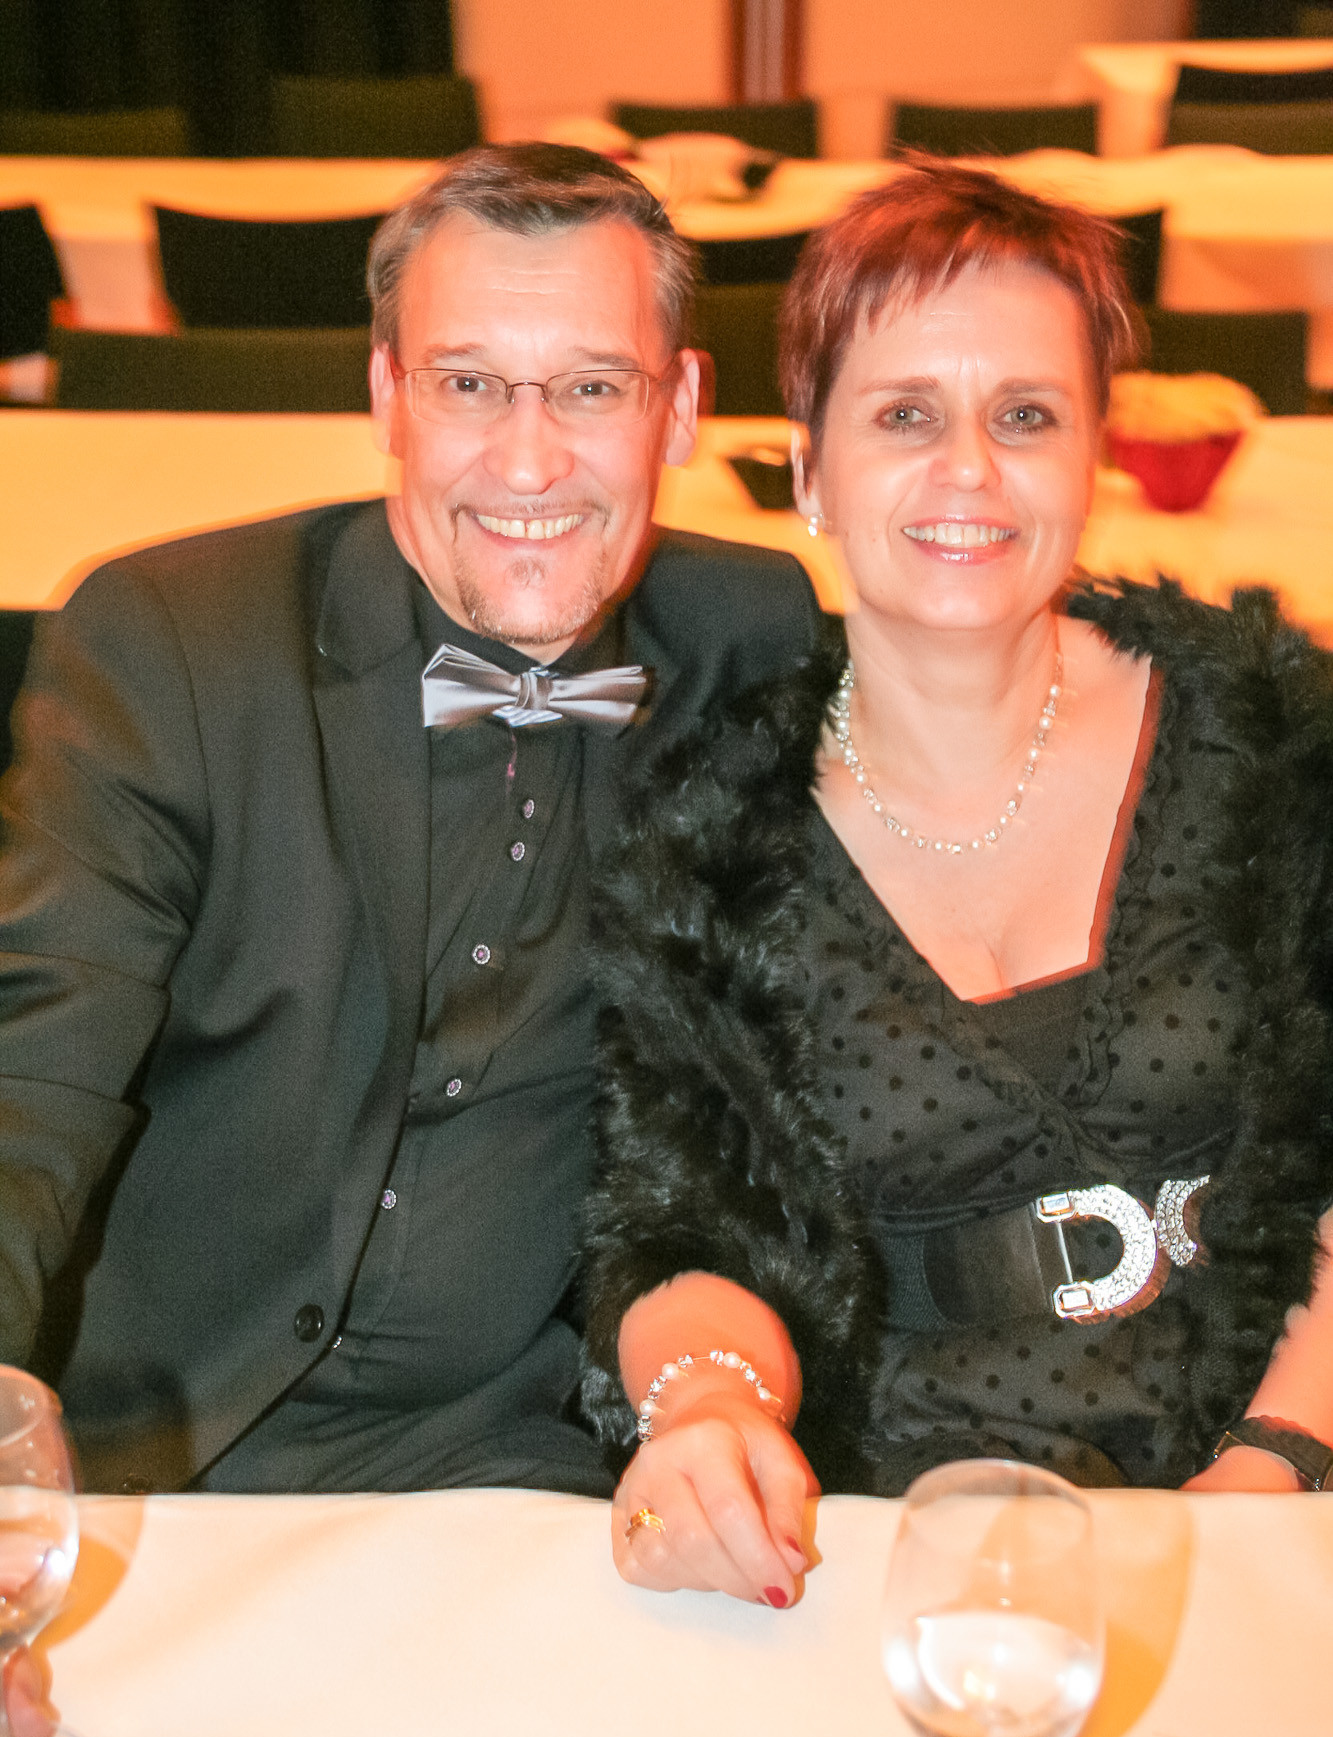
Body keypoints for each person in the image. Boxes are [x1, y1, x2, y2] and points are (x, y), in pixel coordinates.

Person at [0, 142, 820, 1507]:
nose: (529, 460)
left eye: (593, 387)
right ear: (388, 395)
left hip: (522, 1464)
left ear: (679, 407)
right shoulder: (176, 644)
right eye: (467, 384)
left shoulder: (746, 637)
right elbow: (32, 1065)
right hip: (158, 1461)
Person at [582, 160, 1333, 1606]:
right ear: (809, 469)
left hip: (1281, 1493)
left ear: (1094, 453)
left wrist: (1272, 1469)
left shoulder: (1272, 734)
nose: (970, 470)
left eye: (1025, 416)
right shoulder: (712, 839)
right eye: (905, 416)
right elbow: (675, 1227)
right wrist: (711, 1404)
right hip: (894, 1541)